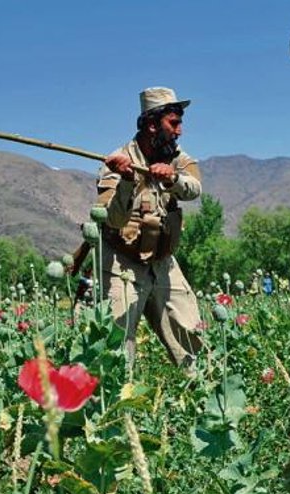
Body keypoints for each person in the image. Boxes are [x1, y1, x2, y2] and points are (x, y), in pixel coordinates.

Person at [95, 86, 203, 368]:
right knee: (116, 347)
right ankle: (117, 407)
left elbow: (194, 189)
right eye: (174, 123)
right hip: (121, 262)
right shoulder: (116, 162)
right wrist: (128, 180)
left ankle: (208, 401)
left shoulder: (177, 156)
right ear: (153, 124)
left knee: (191, 334)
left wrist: (172, 179)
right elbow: (113, 220)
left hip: (163, 260)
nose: (179, 131)